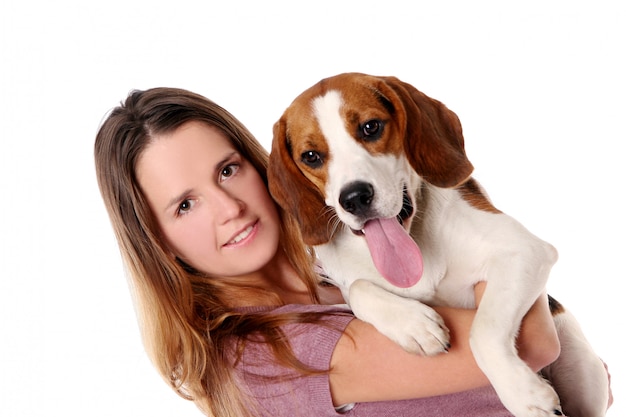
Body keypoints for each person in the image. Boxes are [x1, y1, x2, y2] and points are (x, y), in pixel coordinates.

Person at [93, 87, 596, 417]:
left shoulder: (341, 264)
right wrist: (483, 235)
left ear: (264, 167)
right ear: (156, 239)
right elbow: (532, 340)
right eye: (185, 205)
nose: (228, 207)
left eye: (228, 170)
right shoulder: (267, 353)